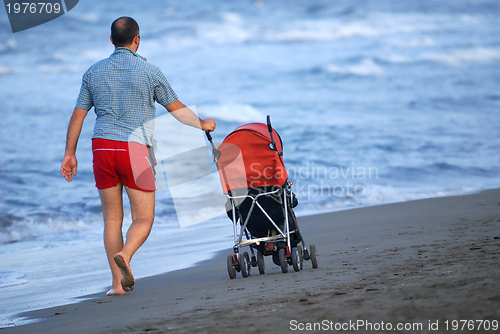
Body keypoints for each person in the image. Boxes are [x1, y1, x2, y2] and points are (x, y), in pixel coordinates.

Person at [60, 17, 216, 296]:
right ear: (137, 39)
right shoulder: (150, 71)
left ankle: (116, 286)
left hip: (102, 148)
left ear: (111, 40)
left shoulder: (92, 72)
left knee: (111, 220)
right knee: (143, 217)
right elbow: (176, 108)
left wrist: (69, 154)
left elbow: (77, 116)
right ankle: (127, 255)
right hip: (135, 150)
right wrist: (202, 123)